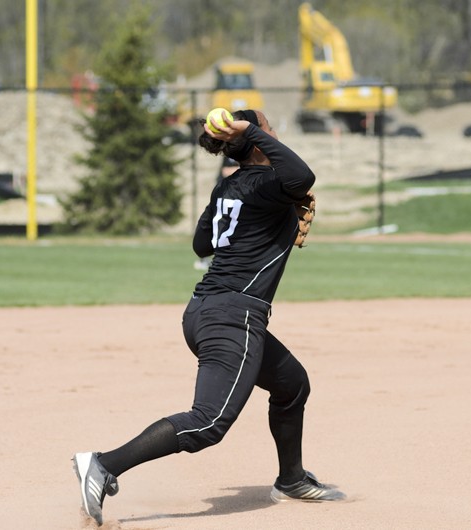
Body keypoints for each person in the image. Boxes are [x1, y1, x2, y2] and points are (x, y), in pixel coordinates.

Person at [73, 108, 344, 526]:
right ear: (254, 141)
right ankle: (104, 464)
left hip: (203, 310)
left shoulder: (231, 185)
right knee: (209, 422)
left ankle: (291, 479)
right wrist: (252, 132)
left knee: (292, 385)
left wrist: (273, 216)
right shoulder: (271, 183)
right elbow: (302, 176)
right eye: (268, 127)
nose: (273, 131)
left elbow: (203, 244)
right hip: (234, 316)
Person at [193, 156, 240, 271]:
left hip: (236, 196)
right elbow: (225, 171)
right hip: (226, 196)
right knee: (218, 228)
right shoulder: (231, 155)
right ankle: (205, 259)